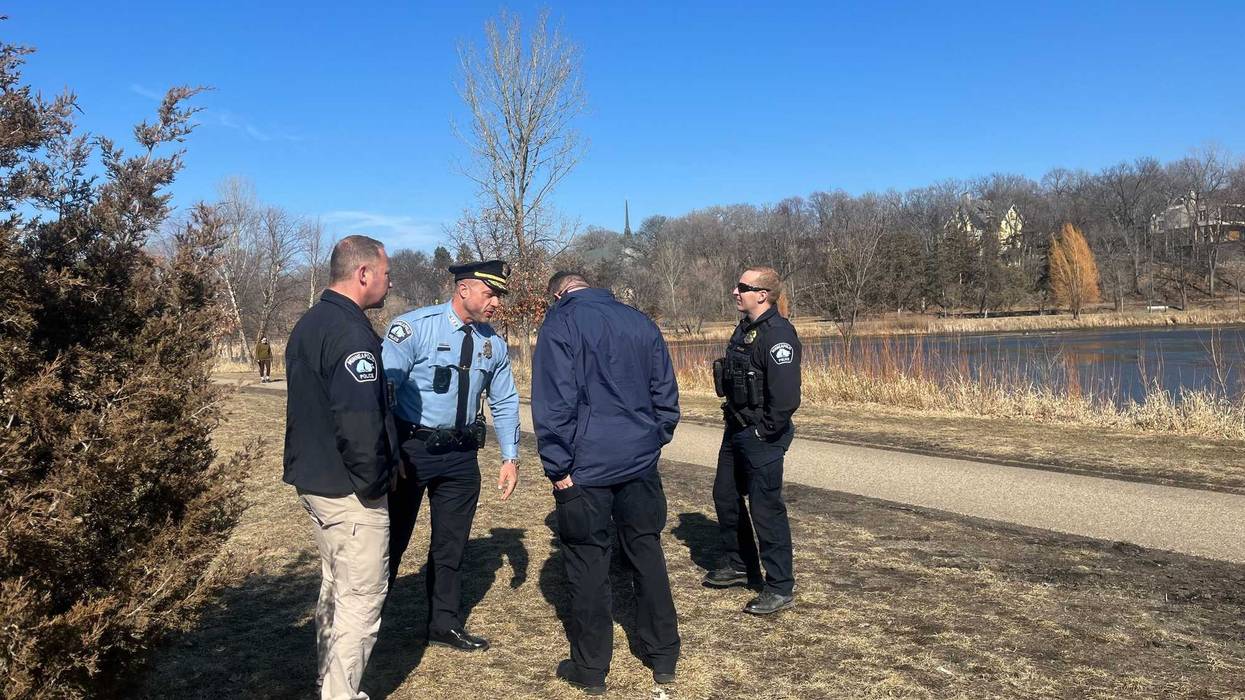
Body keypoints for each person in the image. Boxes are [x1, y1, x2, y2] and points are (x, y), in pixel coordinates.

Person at [532, 271, 681, 696]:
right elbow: (665, 396)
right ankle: (664, 652)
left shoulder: (560, 324)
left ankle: (591, 666)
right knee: (646, 551)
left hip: (587, 469)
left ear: (559, 294)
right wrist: (652, 440)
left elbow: (554, 401)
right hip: (638, 462)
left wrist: (558, 469)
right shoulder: (640, 322)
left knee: (587, 563)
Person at [381, 259, 520, 653]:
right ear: (464, 290)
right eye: (490, 293)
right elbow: (384, 392)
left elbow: (505, 399)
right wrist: (382, 452)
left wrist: (510, 457)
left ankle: (444, 623)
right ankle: (367, 622)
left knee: (451, 546)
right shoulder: (414, 328)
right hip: (411, 451)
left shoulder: (492, 342)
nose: (496, 303)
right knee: (390, 542)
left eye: (499, 296)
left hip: (460, 456)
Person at [283, 235, 399, 700]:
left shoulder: (312, 322)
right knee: (361, 599)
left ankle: (329, 681)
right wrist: (374, 484)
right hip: (348, 491)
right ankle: (339, 694)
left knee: (334, 588)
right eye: (387, 273)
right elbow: (359, 423)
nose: (390, 282)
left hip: (316, 481)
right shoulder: (350, 334)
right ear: (364, 273)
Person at [704, 265, 802, 615]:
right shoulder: (746, 330)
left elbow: (786, 398)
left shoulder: (778, 335)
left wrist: (764, 432)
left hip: (762, 434)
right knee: (725, 496)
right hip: (736, 428)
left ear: (762, 295)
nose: (735, 292)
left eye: (742, 287)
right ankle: (739, 564)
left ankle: (779, 586)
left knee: (766, 509)